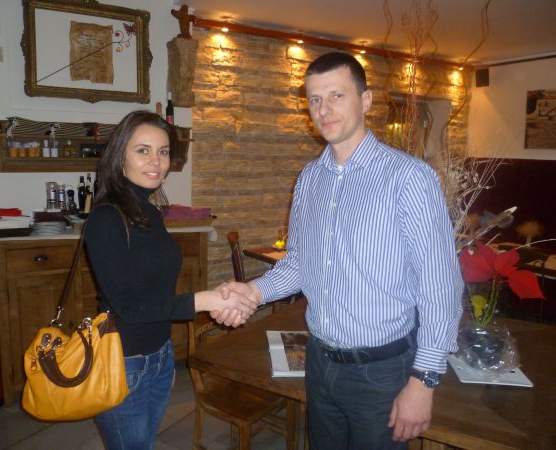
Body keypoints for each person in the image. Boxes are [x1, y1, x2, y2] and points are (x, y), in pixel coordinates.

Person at [218, 52, 463, 449]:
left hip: (382, 372)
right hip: (320, 363)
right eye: (315, 99)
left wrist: (424, 381)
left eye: (336, 95)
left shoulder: (409, 178)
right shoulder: (309, 179)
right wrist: (253, 291)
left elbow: (441, 287)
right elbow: (299, 262)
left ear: (365, 100)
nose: (324, 109)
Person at [84, 110, 253, 449]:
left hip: (159, 356)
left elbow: (157, 290)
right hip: (123, 363)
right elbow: (130, 307)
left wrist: (163, 359)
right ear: (120, 156)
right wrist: (204, 300)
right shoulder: (105, 219)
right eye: (142, 150)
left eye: (163, 151)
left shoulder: (149, 211)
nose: (156, 161)